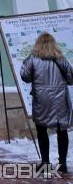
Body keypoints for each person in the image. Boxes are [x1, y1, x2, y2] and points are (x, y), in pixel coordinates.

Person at [20, 31, 73, 175]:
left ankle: (45, 163)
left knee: (42, 130)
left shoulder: (32, 59)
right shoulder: (60, 59)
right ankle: (62, 164)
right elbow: (71, 78)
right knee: (62, 131)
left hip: (41, 99)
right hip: (60, 99)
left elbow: (25, 76)